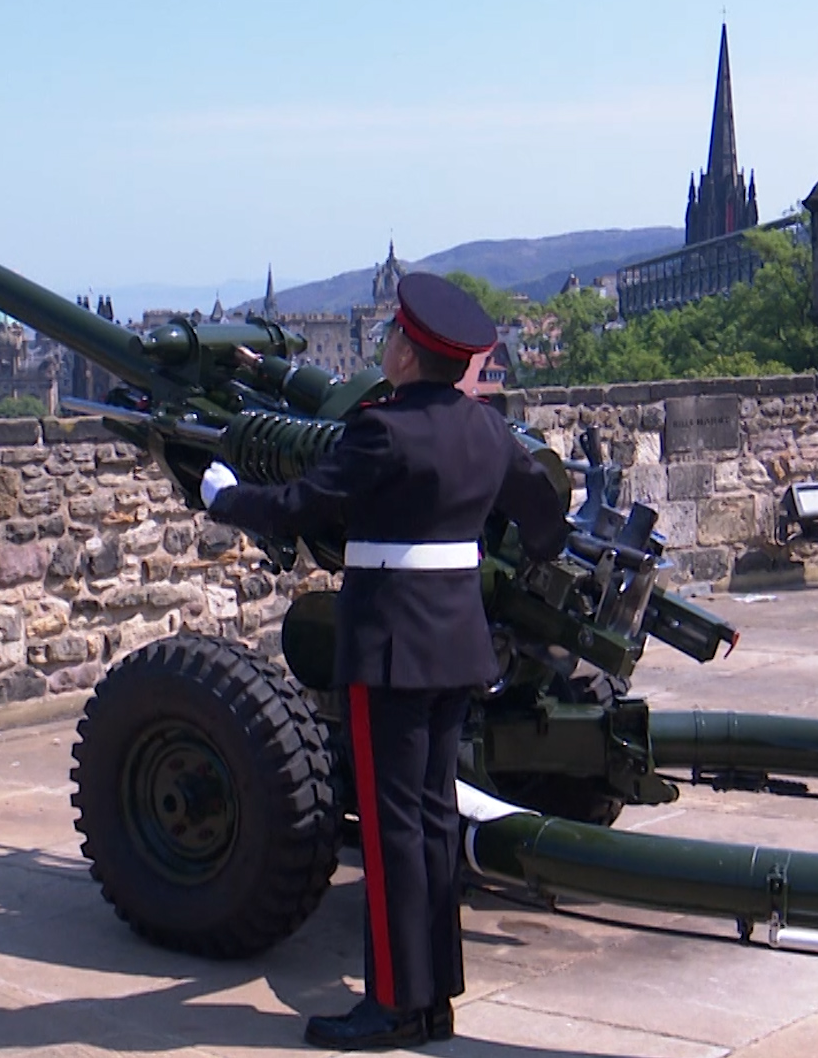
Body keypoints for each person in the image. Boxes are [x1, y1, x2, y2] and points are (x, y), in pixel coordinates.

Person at [202, 272, 570, 1051]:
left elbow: (301, 504)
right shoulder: (488, 431)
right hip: (457, 643)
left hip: (390, 646)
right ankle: (431, 997)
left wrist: (225, 499)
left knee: (390, 829)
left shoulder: (382, 430)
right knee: (434, 821)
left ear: (407, 351)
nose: (388, 347)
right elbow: (544, 519)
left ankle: (394, 1006)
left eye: (393, 338)